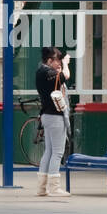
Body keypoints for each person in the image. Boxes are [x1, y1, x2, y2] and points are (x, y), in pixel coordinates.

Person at [35, 46, 71, 197]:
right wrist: (67, 64)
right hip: (55, 116)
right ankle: (55, 188)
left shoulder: (40, 71)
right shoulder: (47, 72)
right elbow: (65, 76)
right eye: (57, 60)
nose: (60, 63)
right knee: (57, 152)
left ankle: (42, 188)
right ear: (49, 60)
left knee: (49, 151)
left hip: (47, 115)